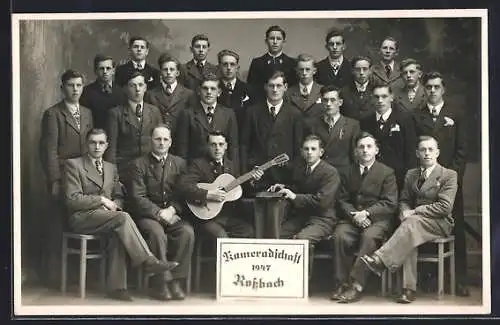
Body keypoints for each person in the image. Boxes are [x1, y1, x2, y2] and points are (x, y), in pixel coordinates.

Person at [62, 128, 178, 301]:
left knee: (120, 229)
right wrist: (101, 200)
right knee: (122, 219)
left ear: (107, 145)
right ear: (87, 144)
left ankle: (117, 288)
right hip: (82, 218)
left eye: (101, 143)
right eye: (93, 142)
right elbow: (72, 199)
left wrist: (115, 207)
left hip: (108, 218)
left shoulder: (111, 168)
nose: (97, 146)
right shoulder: (74, 165)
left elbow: (118, 196)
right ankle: (149, 262)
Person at [361, 136, 458, 304]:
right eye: (423, 150)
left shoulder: (448, 175)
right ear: (417, 153)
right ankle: (408, 289)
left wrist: (414, 211)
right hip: (415, 224)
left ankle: (380, 260)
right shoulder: (411, 174)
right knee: (410, 232)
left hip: (439, 223)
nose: (427, 153)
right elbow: (404, 199)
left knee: (410, 225)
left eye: (430, 150)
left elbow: (445, 207)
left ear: (438, 153)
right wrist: (404, 210)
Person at [413, 71, 469, 296]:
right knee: (424, 223)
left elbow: (462, 149)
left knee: (457, 227)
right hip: (426, 181)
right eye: (429, 87)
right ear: (424, 89)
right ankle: (428, 277)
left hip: (450, 182)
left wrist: (451, 178)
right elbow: (415, 150)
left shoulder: (455, 114)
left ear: (443, 89)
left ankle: (459, 280)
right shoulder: (417, 116)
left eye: (437, 87)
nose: (433, 91)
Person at [39, 69, 94, 287]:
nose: (75, 90)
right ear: (62, 88)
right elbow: (49, 151)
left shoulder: (88, 113)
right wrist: (54, 180)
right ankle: (54, 277)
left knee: (79, 223)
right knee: (57, 224)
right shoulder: (53, 114)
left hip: (82, 177)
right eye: (70, 85)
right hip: (62, 176)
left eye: (79, 85)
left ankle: (77, 276)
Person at [128, 124, 194, 301]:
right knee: (157, 233)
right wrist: (158, 213)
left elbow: (185, 193)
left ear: (171, 142)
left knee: (186, 232)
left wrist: (172, 209)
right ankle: (161, 283)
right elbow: (137, 197)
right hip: (148, 215)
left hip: (173, 214)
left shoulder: (180, 164)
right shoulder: (138, 164)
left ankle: (176, 281)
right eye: (158, 139)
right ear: (151, 141)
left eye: (165, 139)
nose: (161, 143)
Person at [331, 132, 398, 303]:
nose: (365, 150)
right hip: (352, 219)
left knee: (369, 238)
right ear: (355, 151)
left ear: (376, 150)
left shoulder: (387, 172)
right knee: (340, 235)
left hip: (377, 220)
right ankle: (342, 283)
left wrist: (367, 213)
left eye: (369, 147)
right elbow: (342, 200)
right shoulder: (347, 171)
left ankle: (356, 285)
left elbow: (390, 203)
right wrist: (355, 215)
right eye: (361, 147)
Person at [178, 131, 263, 238]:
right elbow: (184, 186)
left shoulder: (231, 166)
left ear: (226, 146)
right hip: (206, 217)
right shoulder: (198, 164)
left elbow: (239, 189)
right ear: (207, 146)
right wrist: (208, 194)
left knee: (249, 231)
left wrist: (252, 180)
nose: (217, 148)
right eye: (213, 145)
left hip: (227, 217)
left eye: (221, 144)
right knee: (221, 237)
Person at [268, 135, 340, 245]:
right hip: (303, 217)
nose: (309, 152)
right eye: (306, 149)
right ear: (302, 152)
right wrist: (284, 187)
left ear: (321, 152)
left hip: (323, 219)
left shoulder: (330, 172)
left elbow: (322, 202)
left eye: (313, 149)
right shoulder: (301, 169)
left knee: (301, 240)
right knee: (276, 235)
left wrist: (294, 196)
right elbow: (299, 188)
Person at [240, 70, 303, 194]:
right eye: (271, 86)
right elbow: (244, 145)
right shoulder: (252, 112)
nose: (275, 90)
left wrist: (292, 172)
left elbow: (298, 148)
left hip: (284, 177)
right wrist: (249, 169)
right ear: (265, 87)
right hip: (258, 176)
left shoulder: (295, 114)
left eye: (279, 86)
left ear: (285, 87)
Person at [106, 71, 163, 187]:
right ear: (126, 89)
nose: (137, 89)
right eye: (133, 85)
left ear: (145, 87)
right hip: (126, 171)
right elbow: (111, 150)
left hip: (151, 169)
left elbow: (162, 141)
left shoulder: (154, 111)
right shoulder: (115, 113)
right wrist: (114, 178)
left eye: (141, 85)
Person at [175, 72, 239, 170]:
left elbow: (233, 147)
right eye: (205, 88)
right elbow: (182, 149)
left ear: (219, 92)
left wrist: (233, 173)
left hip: (222, 171)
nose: (209, 92)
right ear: (199, 91)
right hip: (196, 169)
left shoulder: (228, 114)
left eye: (213, 89)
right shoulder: (187, 114)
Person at [360, 85, 417, 190]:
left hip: (398, 176)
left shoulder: (404, 119)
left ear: (391, 97)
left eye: (384, 96)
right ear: (372, 98)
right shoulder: (365, 121)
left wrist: (408, 178)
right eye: (376, 97)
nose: (380, 100)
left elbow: (411, 150)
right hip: (373, 176)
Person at [303, 85, 360, 177]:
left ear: (340, 102)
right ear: (321, 102)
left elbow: (355, 156)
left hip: (343, 176)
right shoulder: (312, 125)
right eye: (325, 100)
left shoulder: (352, 125)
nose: (329, 104)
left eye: (333, 100)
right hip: (318, 175)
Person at [144, 53, 195, 152]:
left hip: (180, 143)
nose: (168, 73)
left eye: (171, 70)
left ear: (177, 73)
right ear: (160, 72)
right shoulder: (150, 94)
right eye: (165, 69)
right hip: (158, 142)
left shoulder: (188, 94)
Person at [247, 25, 297, 100]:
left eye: (279, 39)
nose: (275, 42)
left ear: (284, 42)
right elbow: (251, 88)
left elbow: (294, 88)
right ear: (266, 41)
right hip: (261, 104)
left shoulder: (292, 63)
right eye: (272, 38)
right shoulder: (257, 63)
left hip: (286, 104)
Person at [80, 54, 126, 129]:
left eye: (108, 68)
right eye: (101, 68)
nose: (105, 72)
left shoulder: (122, 92)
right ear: (95, 71)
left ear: (113, 71)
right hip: (95, 136)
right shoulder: (86, 92)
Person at [216, 49, 254, 135]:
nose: (229, 68)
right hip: (218, 137)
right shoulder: (212, 89)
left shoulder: (248, 90)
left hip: (241, 134)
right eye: (225, 64)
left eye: (232, 64)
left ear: (237, 68)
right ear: (219, 67)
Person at [285, 53, 323, 119]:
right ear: (296, 71)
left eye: (307, 69)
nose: (304, 73)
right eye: (301, 69)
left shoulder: (323, 91)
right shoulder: (288, 93)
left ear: (314, 71)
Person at [341, 55, 376, 120]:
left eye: (365, 69)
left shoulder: (377, 90)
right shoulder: (343, 92)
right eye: (358, 69)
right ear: (352, 70)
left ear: (370, 70)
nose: (361, 73)